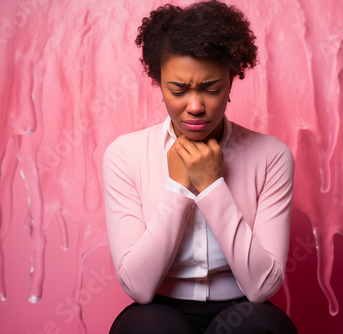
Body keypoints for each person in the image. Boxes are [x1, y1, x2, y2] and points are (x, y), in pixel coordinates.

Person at [103, 1, 297, 333]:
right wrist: (178, 189)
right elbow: (138, 288)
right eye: (178, 90)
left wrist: (211, 187)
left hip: (244, 308)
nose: (195, 106)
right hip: (158, 310)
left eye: (211, 89)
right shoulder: (125, 155)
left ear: (231, 81)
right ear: (158, 82)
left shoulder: (271, 155)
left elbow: (262, 288)